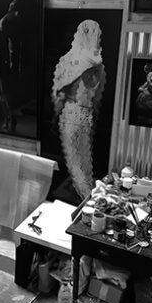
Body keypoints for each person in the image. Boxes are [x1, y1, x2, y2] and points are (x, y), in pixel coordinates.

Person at [51, 19, 106, 200]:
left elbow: (59, 95)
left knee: (74, 163)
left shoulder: (69, 60)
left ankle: (87, 202)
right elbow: (97, 99)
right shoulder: (99, 65)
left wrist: (54, 118)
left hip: (71, 113)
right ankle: (86, 197)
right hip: (87, 114)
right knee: (84, 161)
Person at [0, 0, 22, 132]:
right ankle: (7, 117)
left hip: (0, 56)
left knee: (3, 89)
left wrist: (13, 62)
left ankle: (10, 117)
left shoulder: (11, 20)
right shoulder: (6, 18)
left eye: (13, 4)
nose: (10, 5)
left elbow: (13, 44)